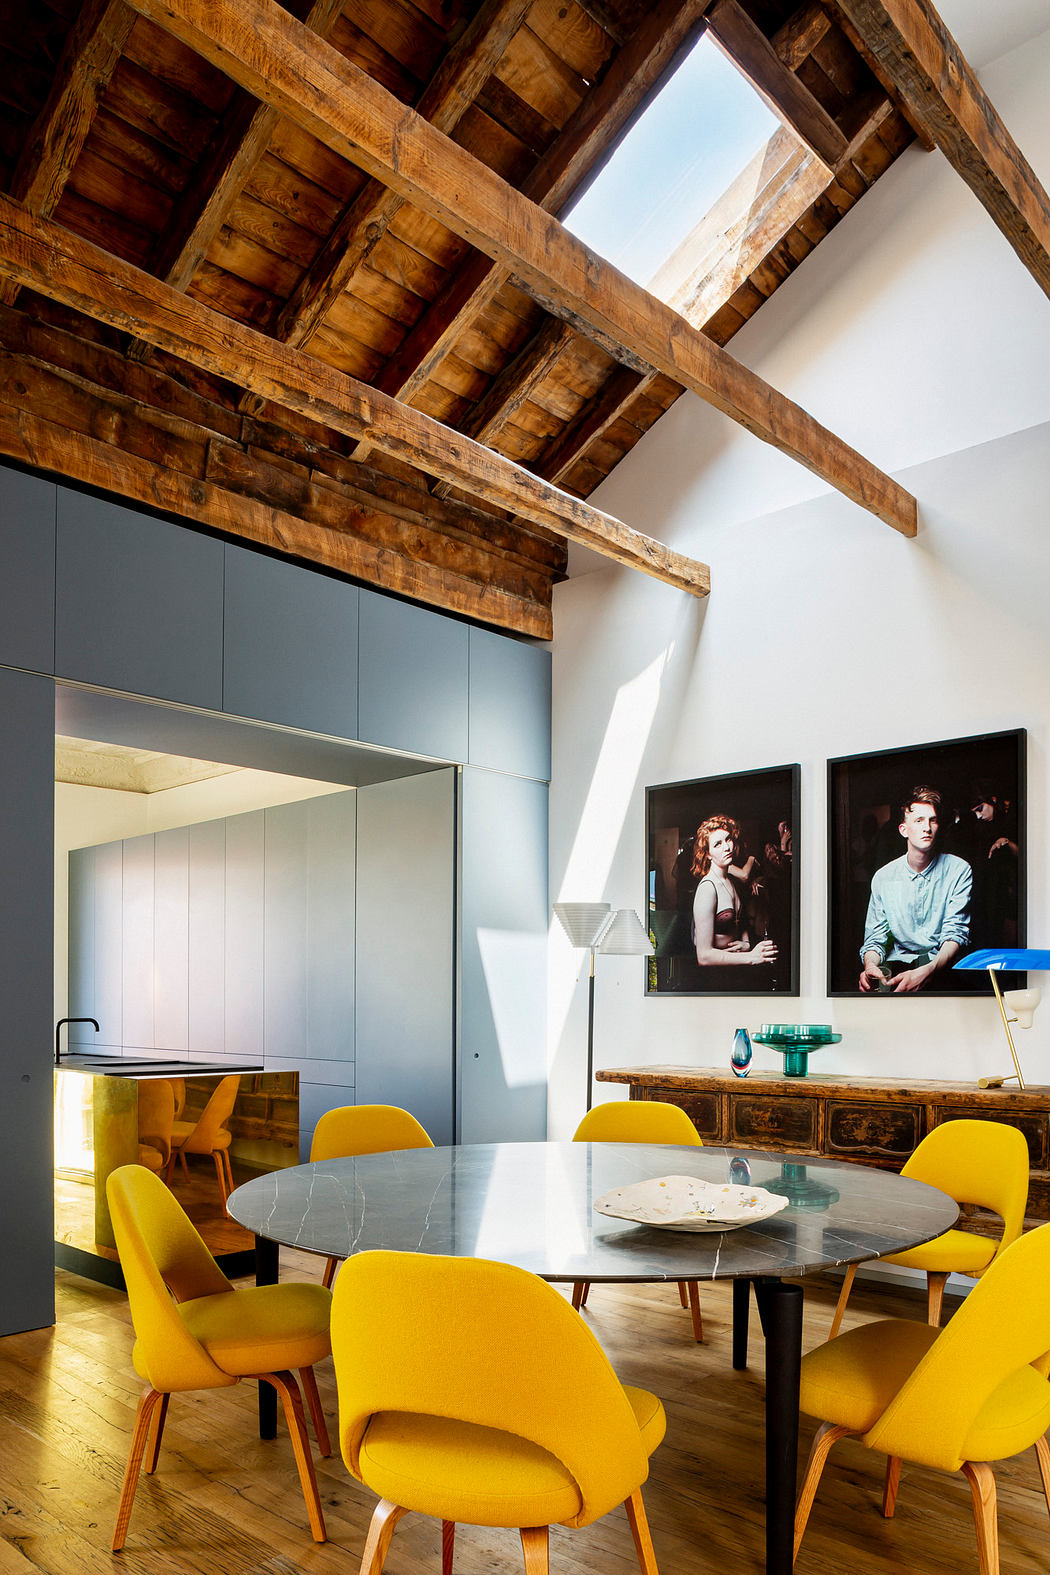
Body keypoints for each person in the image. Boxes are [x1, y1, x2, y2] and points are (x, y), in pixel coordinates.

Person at [858, 786, 972, 993]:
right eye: (919, 821)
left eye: (932, 820)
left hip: (941, 966)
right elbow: (876, 939)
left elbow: (954, 934)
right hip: (898, 967)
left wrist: (929, 970)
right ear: (904, 830)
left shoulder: (959, 870)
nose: (927, 828)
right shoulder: (883, 877)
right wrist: (870, 966)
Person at [692, 814, 778, 977]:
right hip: (712, 977)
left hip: (733, 971)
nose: (727, 847)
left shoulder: (730, 880)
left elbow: (740, 922)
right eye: (717, 844)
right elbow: (703, 956)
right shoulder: (708, 888)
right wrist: (751, 957)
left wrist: (745, 943)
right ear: (708, 854)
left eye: (728, 839)